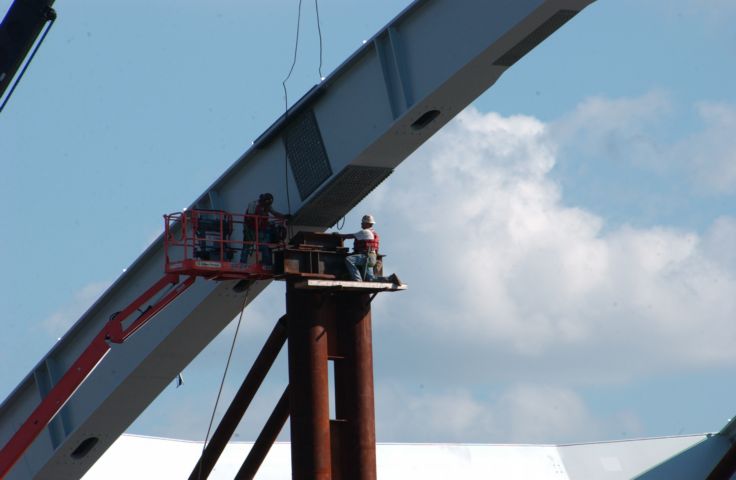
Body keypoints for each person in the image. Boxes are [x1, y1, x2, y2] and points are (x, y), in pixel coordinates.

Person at [241, 193, 290, 267]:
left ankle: (266, 263)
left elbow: (275, 213)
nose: (266, 206)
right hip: (250, 229)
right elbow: (249, 218)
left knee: (265, 245)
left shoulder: (267, 206)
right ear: (263, 201)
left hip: (260, 229)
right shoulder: (253, 204)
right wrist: (259, 217)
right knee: (247, 247)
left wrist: (284, 216)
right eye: (265, 204)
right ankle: (242, 263)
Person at [334, 214, 380, 281]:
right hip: (372, 258)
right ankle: (390, 278)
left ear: (368, 224)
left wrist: (338, 235)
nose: (361, 224)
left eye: (363, 222)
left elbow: (350, 236)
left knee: (349, 259)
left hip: (366, 257)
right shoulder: (374, 233)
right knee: (371, 279)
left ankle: (357, 280)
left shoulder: (365, 232)